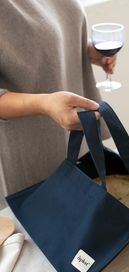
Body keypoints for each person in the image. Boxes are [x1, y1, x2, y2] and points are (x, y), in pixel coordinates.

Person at [0, 0, 117, 208]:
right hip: (35, 146)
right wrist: (45, 103)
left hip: (78, 134)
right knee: (54, 223)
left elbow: (48, 32)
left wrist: (88, 50)